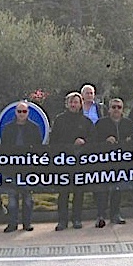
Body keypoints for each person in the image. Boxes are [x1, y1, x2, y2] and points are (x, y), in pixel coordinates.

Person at [51, 92, 95, 231]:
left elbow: (93, 139)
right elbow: (53, 141)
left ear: (81, 104)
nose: (73, 104)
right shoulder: (59, 120)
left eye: (76, 102)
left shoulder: (86, 122)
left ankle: (77, 218)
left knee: (79, 192)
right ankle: (62, 220)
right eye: (71, 102)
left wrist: (85, 142)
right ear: (67, 104)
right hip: (64, 162)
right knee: (63, 193)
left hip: (80, 164)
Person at [1, 102, 42, 232]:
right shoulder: (8, 128)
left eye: (24, 112)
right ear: (15, 112)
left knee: (27, 198)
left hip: (28, 168)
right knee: (12, 198)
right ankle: (12, 223)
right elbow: (4, 148)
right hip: (12, 168)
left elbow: (38, 147)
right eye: (19, 111)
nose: (21, 114)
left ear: (28, 112)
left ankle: (27, 223)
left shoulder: (34, 128)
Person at [94, 98, 133, 227]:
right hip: (104, 162)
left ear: (122, 109)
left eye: (119, 107)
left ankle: (115, 214)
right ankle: (101, 215)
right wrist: (105, 141)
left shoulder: (128, 123)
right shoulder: (101, 123)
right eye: (114, 107)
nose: (116, 110)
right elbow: (93, 141)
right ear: (109, 109)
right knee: (102, 190)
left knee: (117, 189)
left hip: (121, 162)